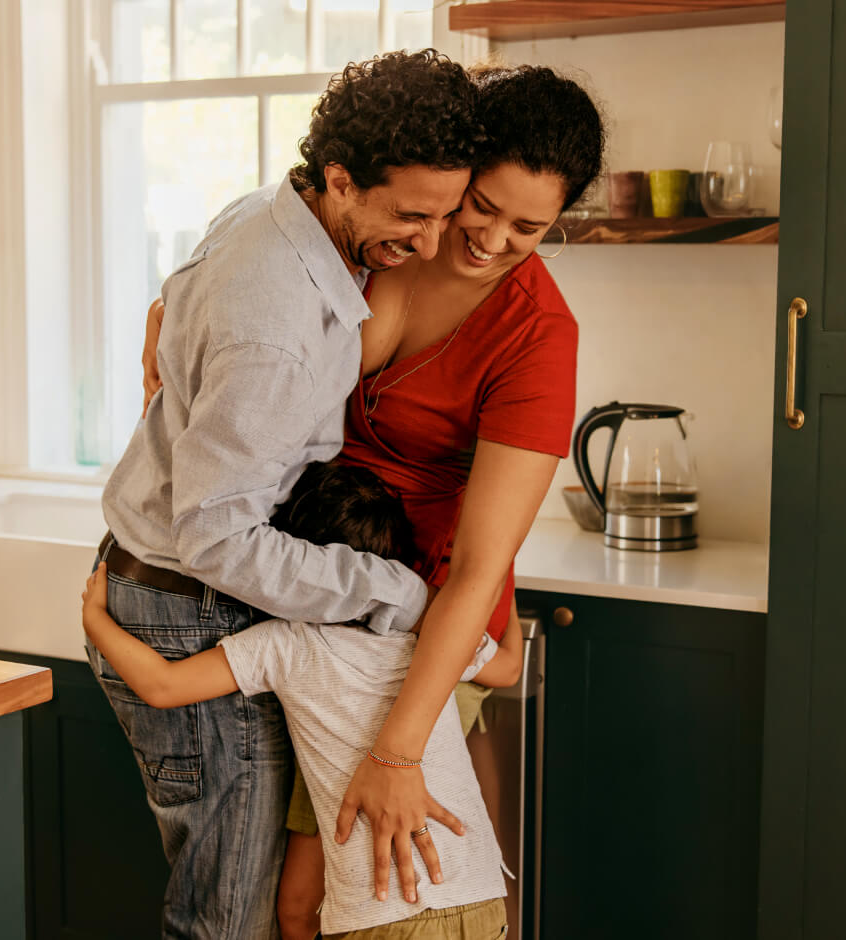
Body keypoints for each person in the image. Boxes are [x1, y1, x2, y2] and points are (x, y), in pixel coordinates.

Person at [90, 50, 483, 939]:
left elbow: (180, 325)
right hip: (194, 602)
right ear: (340, 180)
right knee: (229, 919)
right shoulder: (277, 327)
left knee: (247, 905)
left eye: (445, 214)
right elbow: (220, 540)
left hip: (175, 591)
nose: (428, 244)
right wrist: (387, 589)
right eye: (410, 216)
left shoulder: (272, 212)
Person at [268, 64, 606, 937]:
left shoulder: (538, 338)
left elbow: (483, 564)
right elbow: (255, 288)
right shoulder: (390, 233)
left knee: (357, 899)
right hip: (312, 574)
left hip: (419, 620)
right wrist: (167, 314)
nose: (490, 238)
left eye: (528, 227)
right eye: (480, 205)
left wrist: (399, 750)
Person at [83, 462, 524, 939]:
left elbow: (162, 686)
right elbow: (510, 666)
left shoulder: (289, 643)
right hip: (480, 902)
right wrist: (491, 575)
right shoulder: (437, 633)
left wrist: (97, 621)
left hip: (376, 918)